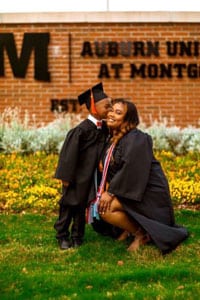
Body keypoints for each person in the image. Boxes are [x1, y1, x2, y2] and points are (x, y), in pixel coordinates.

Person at [91, 98, 189, 254]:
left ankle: (141, 234)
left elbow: (131, 169)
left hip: (148, 193)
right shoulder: (114, 139)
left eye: (118, 112)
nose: (111, 114)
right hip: (132, 189)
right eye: (111, 110)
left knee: (105, 209)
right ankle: (133, 229)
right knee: (103, 207)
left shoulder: (136, 139)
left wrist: (110, 193)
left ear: (127, 119)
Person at [54, 82, 112, 250]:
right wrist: (66, 177)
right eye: (106, 106)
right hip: (76, 177)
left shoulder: (104, 129)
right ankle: (62, 235)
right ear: (93, 107)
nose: (110, 109)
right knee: (68, 205)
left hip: (90, 177)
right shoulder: (81, 130)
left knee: (82, 206)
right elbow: (68, 155)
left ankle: (78, 236)